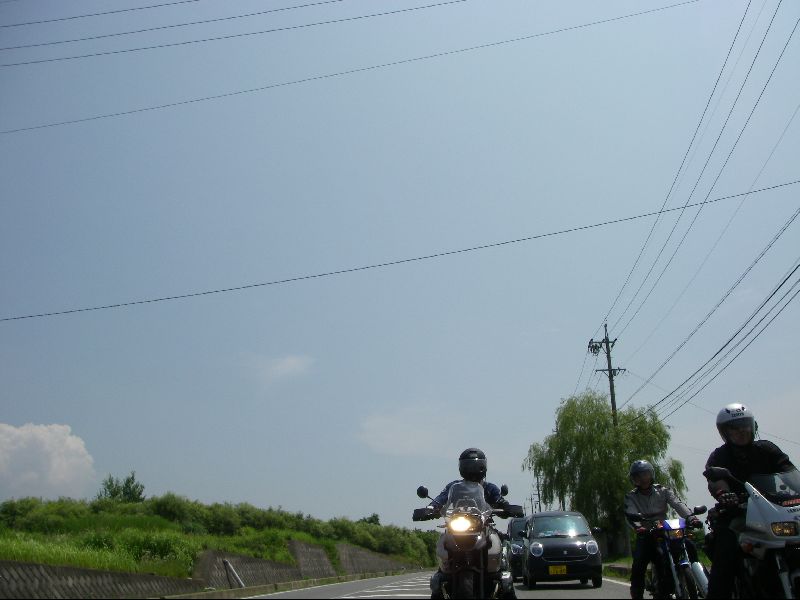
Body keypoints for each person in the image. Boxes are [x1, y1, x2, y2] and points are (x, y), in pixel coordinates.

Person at [704, 403, 795, 599]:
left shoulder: (767, 449)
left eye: (745, 425)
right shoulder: (719, 456)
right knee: (726, 552)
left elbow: (789, 471)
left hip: (772, 512)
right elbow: (715, 480)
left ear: (753, 426)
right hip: (737, 514)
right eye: (734, 428)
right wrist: (724, 494)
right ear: (725, 432)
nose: (742, 431)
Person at [428, 448, 509, 598]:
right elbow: (442, 498)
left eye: (475, 465)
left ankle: (503, 578)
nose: (472, 469)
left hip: (482, 526)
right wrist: (431, 507)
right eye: (468, 465)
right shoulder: (454, 487)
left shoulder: (489, 487)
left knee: (498, 542)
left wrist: (506, 506)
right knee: (443, 546)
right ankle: (441, 579)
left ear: (482, 467)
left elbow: (498, 499)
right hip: (457, 527)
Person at [623, 459, 701, 600]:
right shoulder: (631, 497)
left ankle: (698, 579)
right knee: (639, 562)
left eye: (645, 474)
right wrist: (639, 527)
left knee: (689, 545)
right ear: (634, 479)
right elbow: (630, 513)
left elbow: (678, 504)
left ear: (651, 474)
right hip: (647, 533)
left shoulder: (663, 490)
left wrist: (691, 518)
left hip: (665, 529)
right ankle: (637, 593)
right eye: (639, 476)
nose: (643, 479)